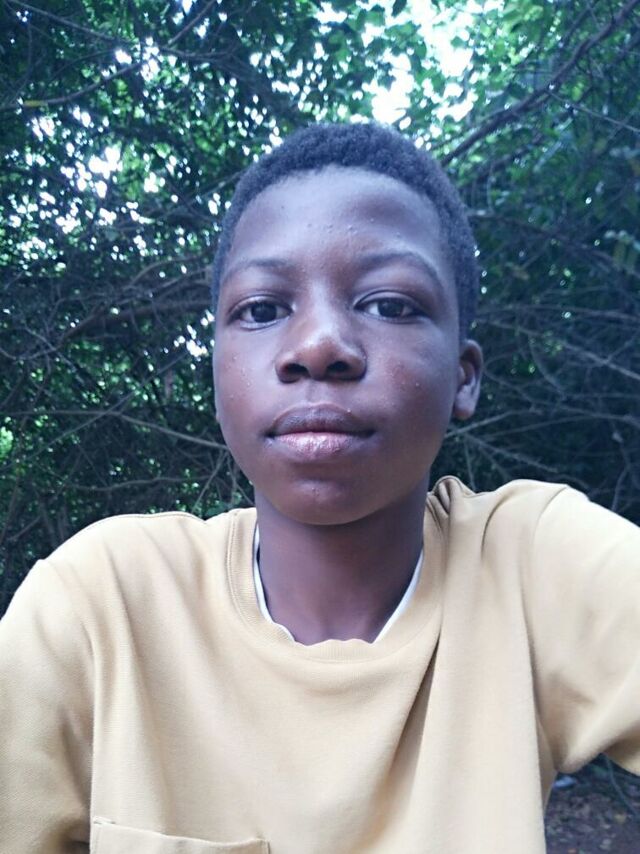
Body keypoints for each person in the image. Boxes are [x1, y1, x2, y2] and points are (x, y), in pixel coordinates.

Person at [0, 122, 638, 854]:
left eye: (390, 304)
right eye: (261, 310)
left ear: (463, 377)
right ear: (218, 375)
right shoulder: (102, 607)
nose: (318, 346)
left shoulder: (535, 568)